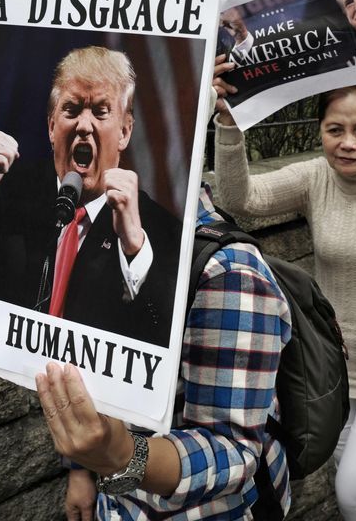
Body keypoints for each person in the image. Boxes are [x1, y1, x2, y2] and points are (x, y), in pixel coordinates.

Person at [212, 54, 356, 521]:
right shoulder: (316, 178)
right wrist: (229, 125)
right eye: (335, 130)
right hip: (331, 373)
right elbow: (241, 200)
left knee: (354, 491)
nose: (347, 143)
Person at [37, 182, 293, 520]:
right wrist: (82, 470)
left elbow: (234, 451)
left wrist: (125, 455)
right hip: (115, 506)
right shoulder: (87, 234)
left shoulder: (229, 270)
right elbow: (87, 373)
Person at [0, 46, 181, 346]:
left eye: (100, 112)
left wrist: (133, 247)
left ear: (125, 133)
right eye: (72, 110)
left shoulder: (156, 228)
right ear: (51, 127)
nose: (84, 126)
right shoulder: (7, 197)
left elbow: (160, 336)